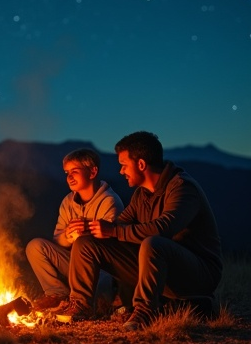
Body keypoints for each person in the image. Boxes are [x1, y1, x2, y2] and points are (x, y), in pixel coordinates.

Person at [56, 131, 223, 330]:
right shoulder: (141, 195)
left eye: (124, 165)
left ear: (141, 164)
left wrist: (114, 231)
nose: (120, 171)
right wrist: (92, 229)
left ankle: (144, 312)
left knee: (153, 242)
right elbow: (120, 224)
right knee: (86, 243)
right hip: (159, 269)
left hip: (198, 274)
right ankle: (80, 306)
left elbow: (163, 228)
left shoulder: (183, 188)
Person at [26, 148, 124, 315]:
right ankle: (57, 294)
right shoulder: (68, 201)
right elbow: (58, 241)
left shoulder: (109, 202)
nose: (69, 176)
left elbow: (112, 247)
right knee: (35, 247)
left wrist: (85, 235)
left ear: (92, 172)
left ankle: (96, 302)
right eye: (66, 172)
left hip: (103, 273)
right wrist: (68, 236)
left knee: (85, 250)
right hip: (74, 265)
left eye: (75, 171)